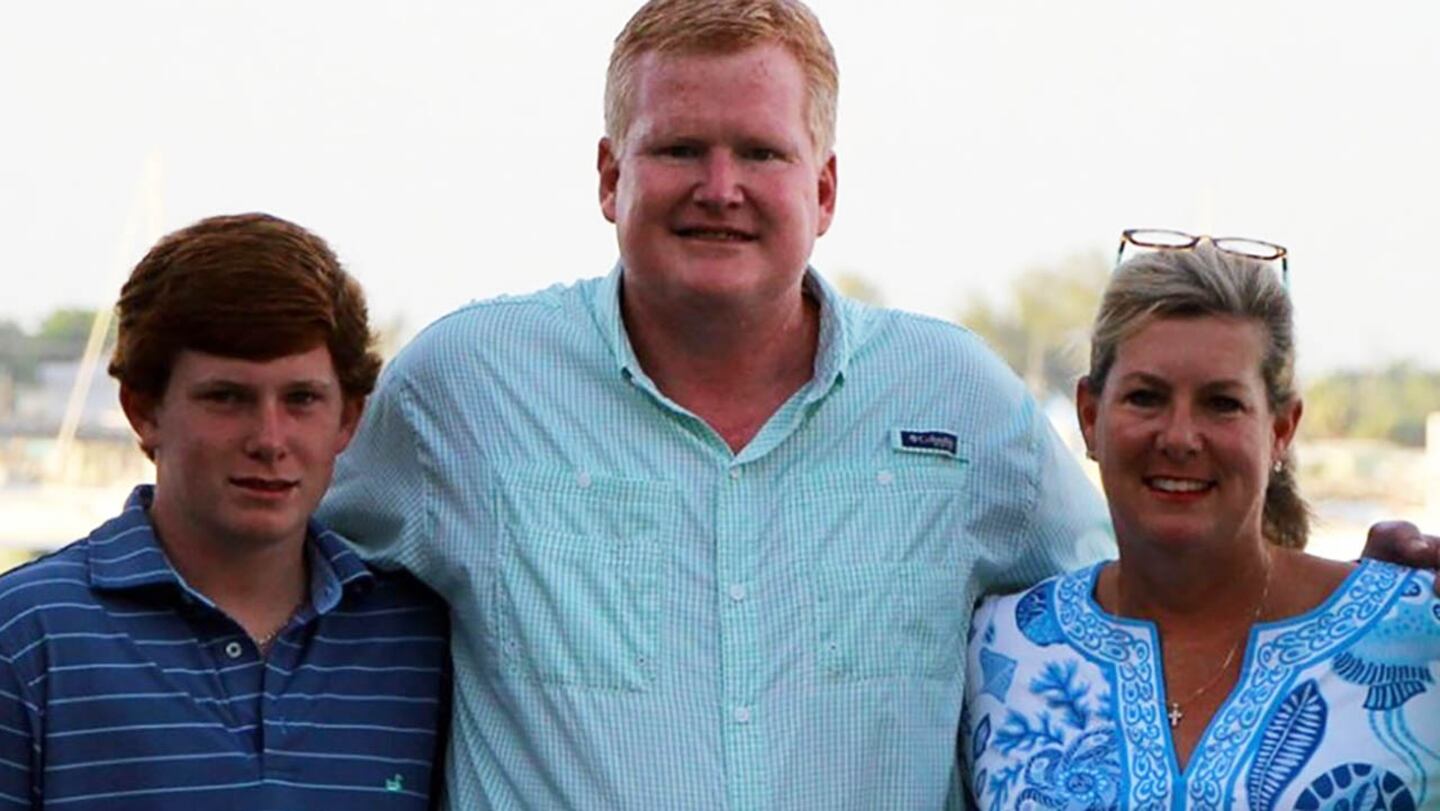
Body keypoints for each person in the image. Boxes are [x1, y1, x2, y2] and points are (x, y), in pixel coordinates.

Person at [321, 1, 1439, 806]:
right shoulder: (463, 389)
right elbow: (277, 552)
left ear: (825, 187)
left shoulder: (958, 400)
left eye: (761, 150)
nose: (721, 187)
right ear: (611, 174)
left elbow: (1141, 581)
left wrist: (1358, 594)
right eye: (680, 150)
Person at [962, 237, 1440, 809]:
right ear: (1090, 417)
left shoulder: (1419, 637)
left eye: (1223, 404)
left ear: (1281, 430)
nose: (1181, 438)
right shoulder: (998, 647)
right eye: (1145, 398)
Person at [0, 213, 450, 810]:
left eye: (302, 399)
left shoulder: (418, 641)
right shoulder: (27, 638)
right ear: (144, 412)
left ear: (348, 418)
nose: (269, 437)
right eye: (227, 398)